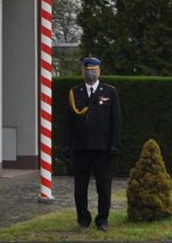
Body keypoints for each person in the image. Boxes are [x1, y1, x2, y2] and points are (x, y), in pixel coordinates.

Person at [67, 56, 124, 231]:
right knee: (80, 187)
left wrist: (115, 144)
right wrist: (66, 145)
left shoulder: (109, 91)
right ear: (82, 71)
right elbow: (68, 122)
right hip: (81, 148)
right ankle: (83, 219)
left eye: (93, 70)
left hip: (102, 148)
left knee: (104, 186)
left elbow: (116, 120)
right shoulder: (75, 92)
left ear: (99, 71)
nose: (90, 73)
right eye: (87, 70)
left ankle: (102, 219)